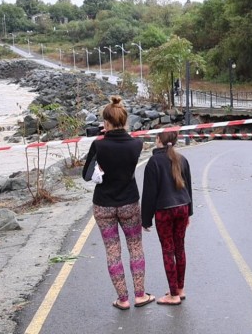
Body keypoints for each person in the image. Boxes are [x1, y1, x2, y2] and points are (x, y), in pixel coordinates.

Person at [82, 95, 154, 310]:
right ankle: (140, 295)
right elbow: (126, 141)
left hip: (103, 205)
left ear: (106, 122)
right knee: (135, 247)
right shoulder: (136, 144)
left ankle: (122, 299)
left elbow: (86, 175)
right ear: (125, 121)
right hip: (129, 203)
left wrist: (102, 141)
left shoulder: (98, 145)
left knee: (113, 251)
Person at [141, 131, 193, 306]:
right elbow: (189, 188)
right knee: (180, 248)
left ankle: (173, 295)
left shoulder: (154, 162)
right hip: (182, 207)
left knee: (168, 250)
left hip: (164, 211)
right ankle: (180, 288)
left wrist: (146, 219)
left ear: (158, 140)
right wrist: (189, 213)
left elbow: (149, 194)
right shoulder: (182, 159)